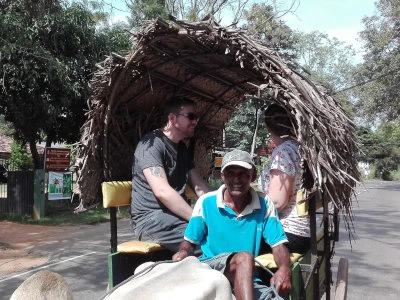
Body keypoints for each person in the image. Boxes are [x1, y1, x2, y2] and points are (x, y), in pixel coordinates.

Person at [173, 149, 291, 300]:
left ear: (252, 176)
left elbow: (278, 245)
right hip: (211, 271)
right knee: (245, 258)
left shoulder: (265, 204)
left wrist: (284, 268)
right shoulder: (206, 202)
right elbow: (189, 242)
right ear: (223, 176)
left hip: (247, 279)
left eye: (242, 174)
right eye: (230, 173)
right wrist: (183, 252)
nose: (236, 180)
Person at [130, 97, 210, 252]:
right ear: (172, 118)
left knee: (222, 232)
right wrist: (198, 219)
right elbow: (162, 192)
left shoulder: (181, 148)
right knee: (207, 240)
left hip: (173, 218)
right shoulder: (151, 145)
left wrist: (220, 206)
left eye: (196, 118)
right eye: (191, 117)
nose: (195, 122)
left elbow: (199, 186)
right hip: (151, 220)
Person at [258, 103, 310, 254]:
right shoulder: (302, 149)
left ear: (268, 128)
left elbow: (277, 202)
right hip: (302, 231)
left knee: (232, 241)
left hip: (284, 233)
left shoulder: (284, 152)